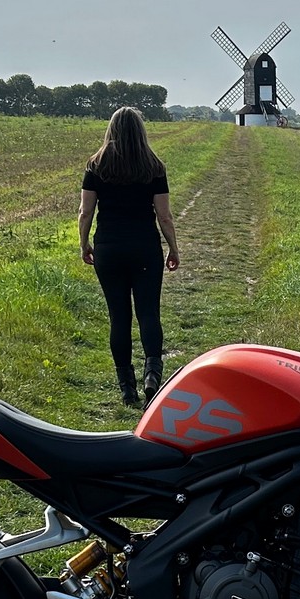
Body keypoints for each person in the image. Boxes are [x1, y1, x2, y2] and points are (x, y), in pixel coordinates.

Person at [78, 107, 180, 405]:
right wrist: (173, 247)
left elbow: (86, 212)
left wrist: (84, 243)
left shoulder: (96, 166)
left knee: (118, 317)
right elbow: (165, 215)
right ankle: (152, 376)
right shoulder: (154, 167)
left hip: (109, 247)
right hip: (145, 246)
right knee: (149, 313)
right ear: (141, 132)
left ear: (111, 131)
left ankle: (126, 387)